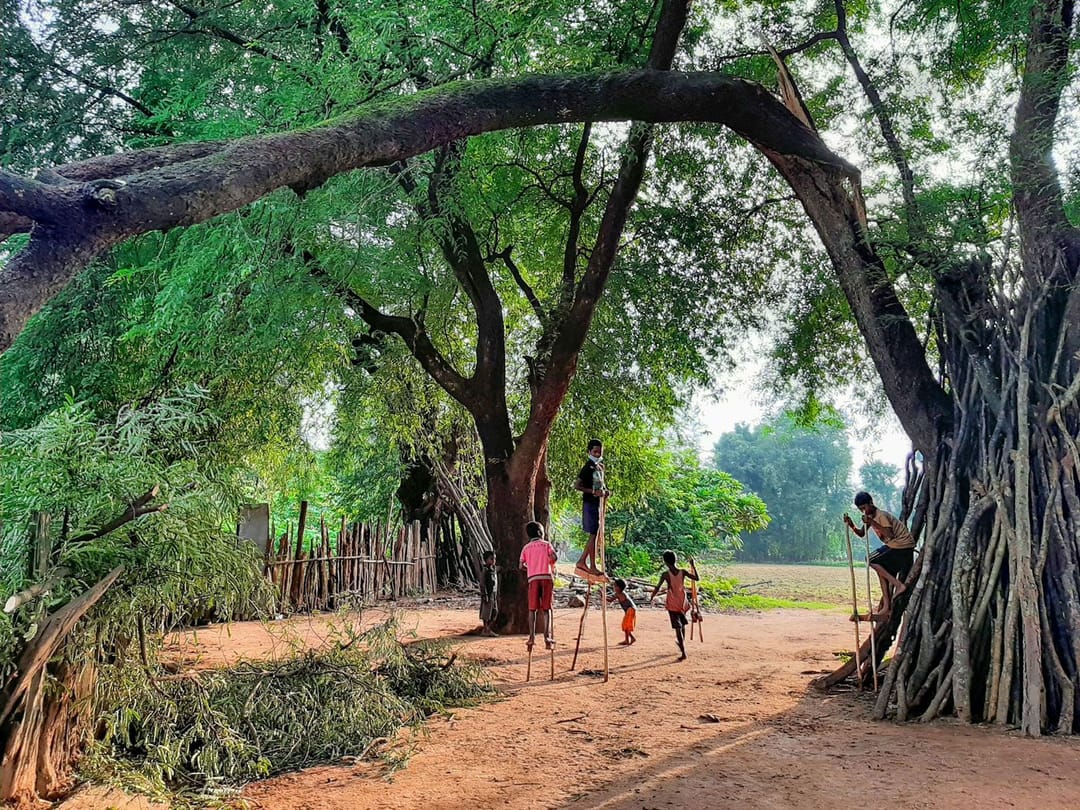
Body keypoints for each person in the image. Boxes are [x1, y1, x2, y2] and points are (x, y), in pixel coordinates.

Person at [843, 491, 915, 621]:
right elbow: (862, 533)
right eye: (861, 509)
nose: (863, 511)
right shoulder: (871, 516)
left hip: (902, 546)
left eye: (864, 507)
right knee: (881, 571)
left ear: (871, 503)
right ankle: (886, 608)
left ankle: (899, 585)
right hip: (896, 547)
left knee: (870, 559)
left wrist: (872, 522)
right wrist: (851, 525)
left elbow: (889, 534)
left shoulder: (881, 515)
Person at [649, 550, 699, 661]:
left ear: (665, 562)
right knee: (682, 625)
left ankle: (683, 652)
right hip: (682, 601)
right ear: (675, 560)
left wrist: (652, 596)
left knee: (677, 627)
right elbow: (696, 578)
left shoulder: (666, 574)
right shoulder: (683, 572)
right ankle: (682, 643)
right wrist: (693, 566)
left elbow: (658, 587)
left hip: (672, 603)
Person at [519, 521, 557, 650]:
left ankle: (531, 637)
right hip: (546, 577)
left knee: (532, 610)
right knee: (547, 609)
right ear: (541, 533)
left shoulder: (526, 548)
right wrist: (549, 561)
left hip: (533, 579)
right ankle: (547, 637)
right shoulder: (546, 545)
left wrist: (531, 568)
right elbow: (554, 557)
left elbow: (521, 565)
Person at [574, 438, 608, 578]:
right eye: (595, 452)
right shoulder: (587, 467)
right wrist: (593, 492)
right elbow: (577, 485)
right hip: (589, 503)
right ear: (589, 452)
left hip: (598, 503)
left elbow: (601, 485)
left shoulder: (600, 467)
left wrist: (604, 491)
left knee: (595, 533)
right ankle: (590, 565)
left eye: (600, 452)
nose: (597, 454)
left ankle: (583, 561)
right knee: (593, 533)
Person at [609, 578, 637, 645]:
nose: (614, 587)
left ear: (619, 587)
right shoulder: (619, 593)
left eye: (615, 586)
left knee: (626, 625)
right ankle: (627, 640)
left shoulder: (620, 594)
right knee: (625, 625)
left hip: (630, 610)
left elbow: (610, 600)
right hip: (629, 610)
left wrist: (602, 595)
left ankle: (631, 638)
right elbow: (610, 600)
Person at [479, 549, 498, 637]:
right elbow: (482, 583)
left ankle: (488, 628)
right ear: (486, 560)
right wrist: (485, 594)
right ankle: (486, 629)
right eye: (491, 559)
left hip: (493, 593)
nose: (493, 561)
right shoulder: (485, 570)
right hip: (488, 594)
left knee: (494, 611)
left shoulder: (493, 569)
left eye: (494, 559)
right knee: (486, 613)